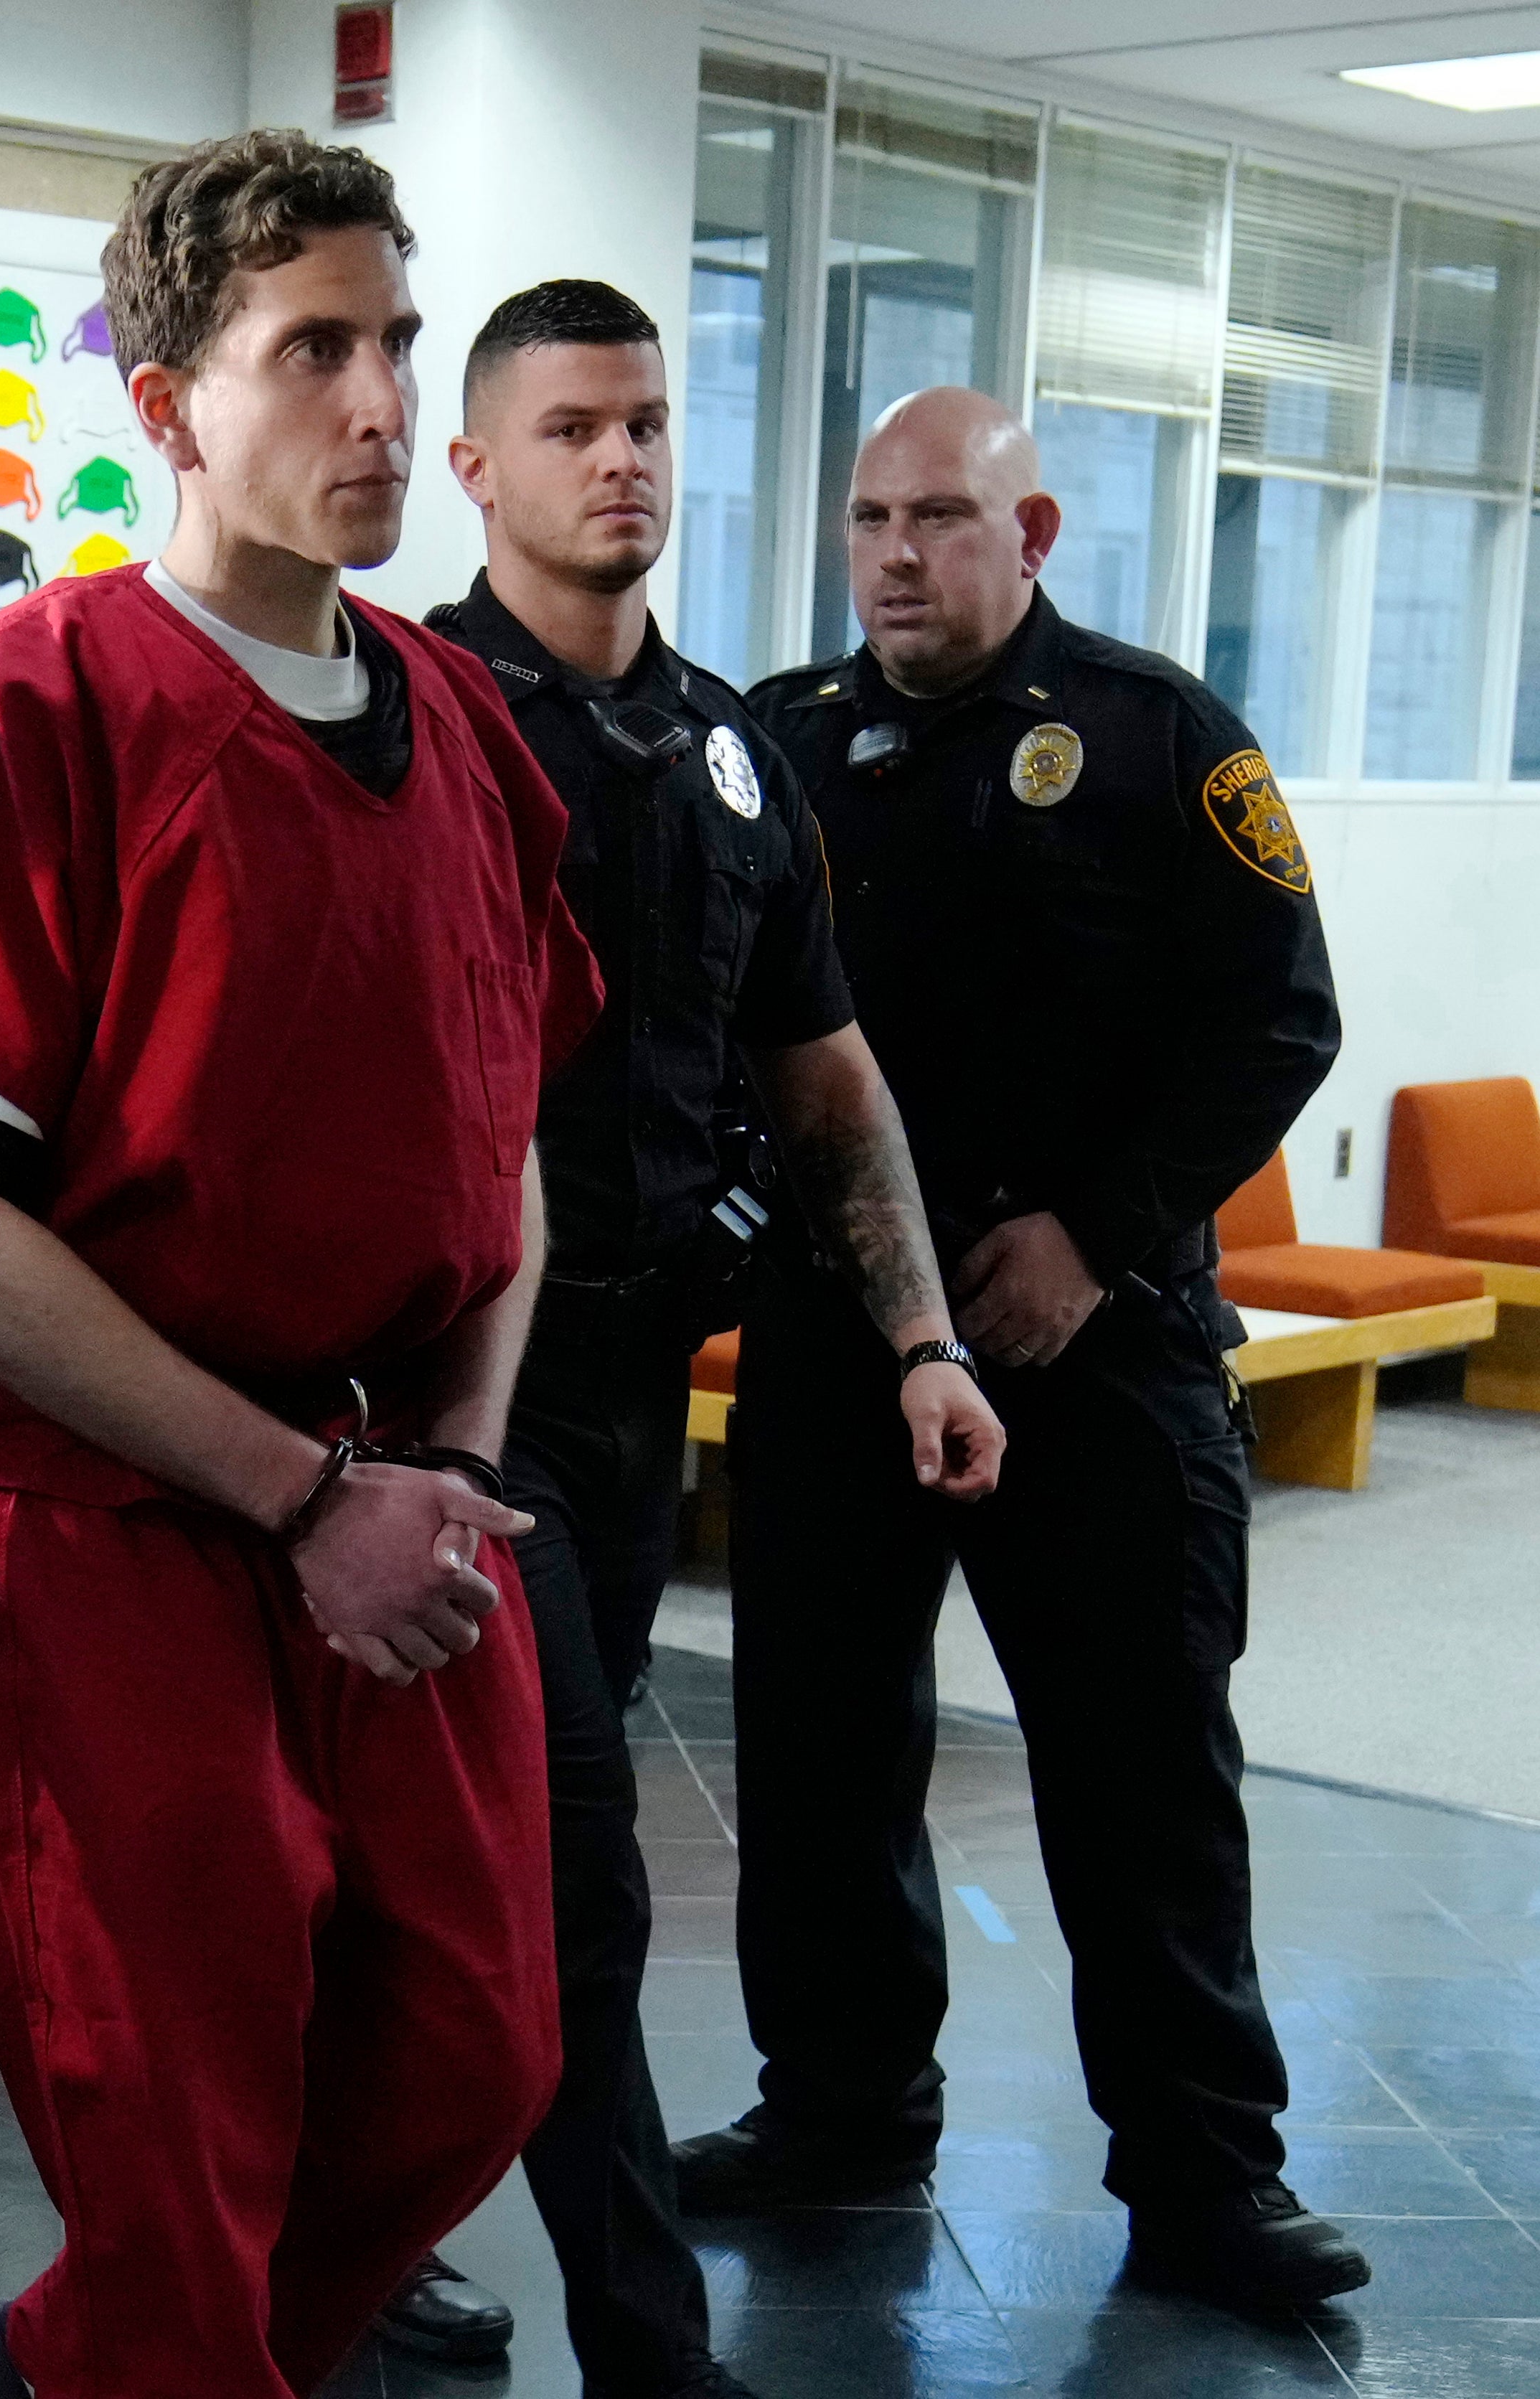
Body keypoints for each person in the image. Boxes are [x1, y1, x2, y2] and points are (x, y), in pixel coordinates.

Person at [0, 133, 604, 2399]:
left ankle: (110, 2357)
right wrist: (294, 1495)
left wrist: (439, 1468)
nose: (379, 406)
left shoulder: (460, 723)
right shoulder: (24, 709)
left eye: (391, 343)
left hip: (402, 1507)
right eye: (311, 355)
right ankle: (154, 2346)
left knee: (474, 2057)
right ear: (164, 402)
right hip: (125, 1526)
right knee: (175, 2125)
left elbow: (504, 1127)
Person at [682, 385, 1360, 2309]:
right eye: (865, 520)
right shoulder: (782, 744)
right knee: (817, 1751)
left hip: (1097, 1343)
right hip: (842, 1339)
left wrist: (1094, 1234)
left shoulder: (1155, 739)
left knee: (1139, 1771)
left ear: (1030, 532)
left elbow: (1275, 1025)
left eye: (936, 519)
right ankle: (834, 2111)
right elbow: (735, 1018)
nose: (893, 555)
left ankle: (1202, 2180)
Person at [417, 281, 1004, 2399]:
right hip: (440, 1398)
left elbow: (828, 1079)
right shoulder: (397, 716)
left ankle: (357, 2228)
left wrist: (922, 1340)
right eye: (569, 426)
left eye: (648, 421)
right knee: (567, 1874)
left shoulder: (737, 750)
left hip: (643, 1379)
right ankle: (649, 2350)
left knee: (492, 1870)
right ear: (473, 466)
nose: (621, 461)